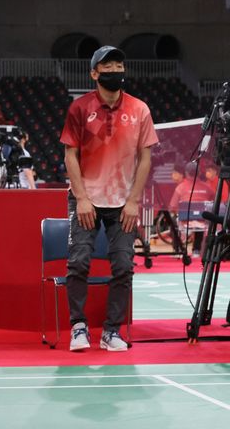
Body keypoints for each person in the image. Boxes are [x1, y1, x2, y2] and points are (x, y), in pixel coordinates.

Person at [61, 45, 158, 352]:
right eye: (107, 66)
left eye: (118, 65)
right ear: (94, 73)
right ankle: (78, 327)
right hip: (86, 199)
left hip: (123, 203)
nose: (115, 70)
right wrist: (82, 198)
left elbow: (145, 159)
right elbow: (70, 155)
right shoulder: (79, 108)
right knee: (78, 263)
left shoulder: (139, 109)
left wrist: (133, 201)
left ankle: (111, 331)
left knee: (124, 266)